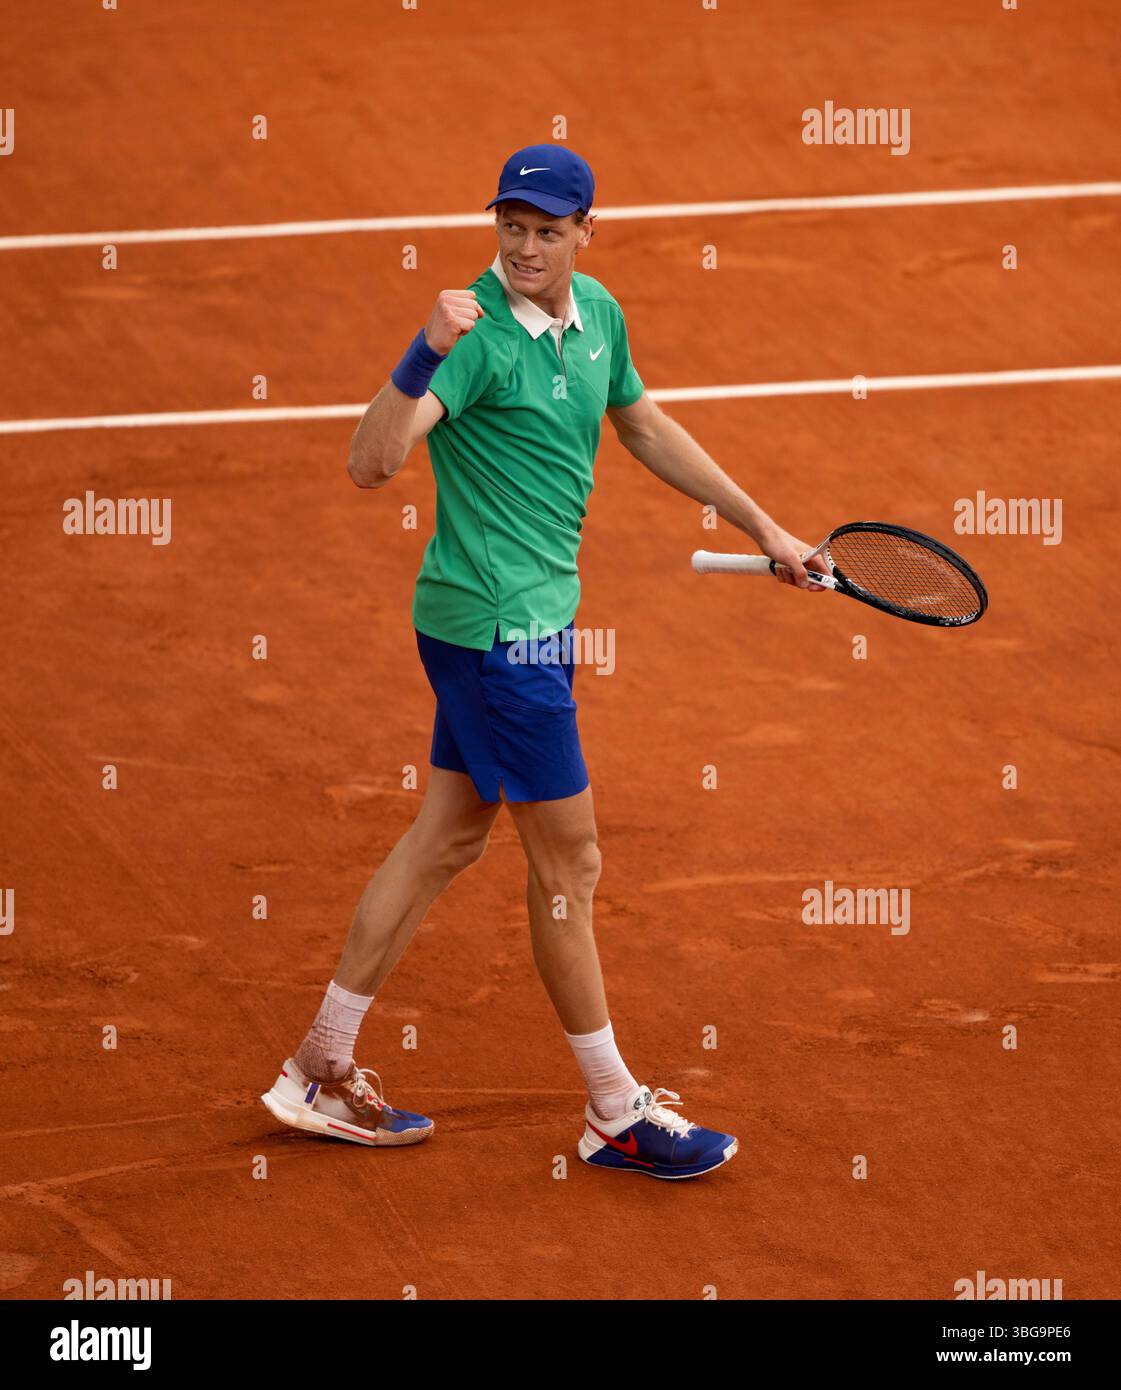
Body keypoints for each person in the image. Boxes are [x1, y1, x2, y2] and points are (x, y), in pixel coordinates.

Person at [261, 144, 824, 1178]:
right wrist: (421, 352)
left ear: (583, 234)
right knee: (569, 861)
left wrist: (766, 530)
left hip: (524, 628)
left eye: (546, 231)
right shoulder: (470, 339)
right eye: (509, 227)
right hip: (496, 636)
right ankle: (612, 1108)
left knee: (446, 836)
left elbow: (642, 424)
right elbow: (368, 461)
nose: (523, 247)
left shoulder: (596, 315)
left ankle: (317, 1066)